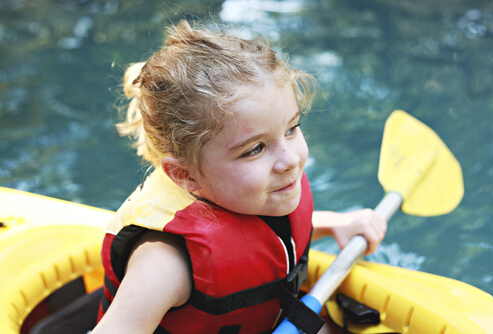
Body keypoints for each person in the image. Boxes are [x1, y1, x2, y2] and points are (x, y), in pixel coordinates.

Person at [92, 20, 386, 334]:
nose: (288, 160)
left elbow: (265, 238)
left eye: (292, 129)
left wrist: (335, 224)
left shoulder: (249, 193)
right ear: (186, 175)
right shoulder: (165, 263)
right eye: (255, 149)